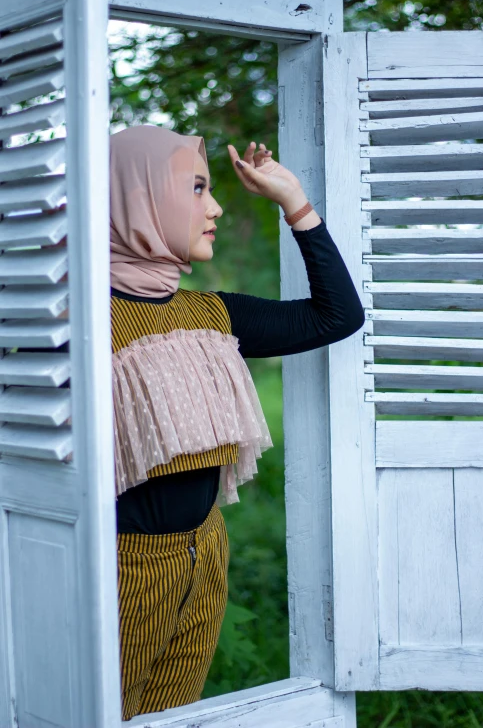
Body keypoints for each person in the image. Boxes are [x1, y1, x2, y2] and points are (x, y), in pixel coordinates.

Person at [109, 125, 365, 721]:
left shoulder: (211, 313)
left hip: (206, 552)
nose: (216, 207)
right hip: (121, 566)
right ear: (137, 197)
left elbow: (338, 315)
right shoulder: (79, 325)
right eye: (197, 189)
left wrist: (293, 202)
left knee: (174, 715)